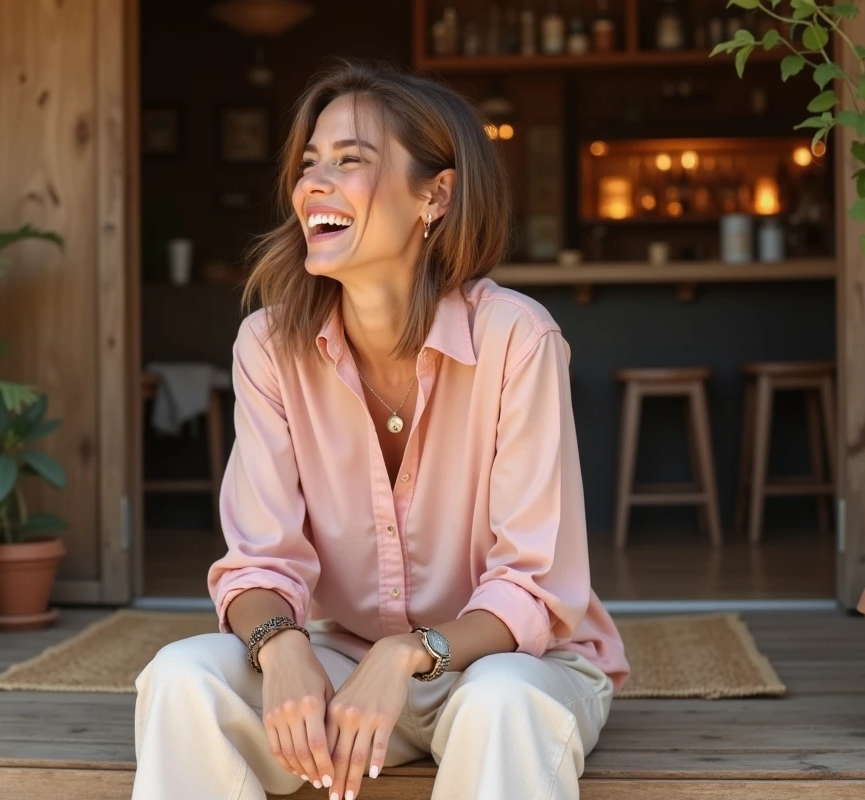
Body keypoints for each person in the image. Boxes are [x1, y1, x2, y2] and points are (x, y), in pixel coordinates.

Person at [132, 58, 629, 800]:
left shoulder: (517, 339)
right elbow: (258, 561)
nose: (313, 184)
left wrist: (406, 655)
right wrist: (282, 646)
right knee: (182, 677)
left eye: (349, 160)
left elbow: (533, 587)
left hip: (510, 668)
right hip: (345, 663)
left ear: (435, 195)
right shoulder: (269, 347)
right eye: (308, 164)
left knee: (501, 704)